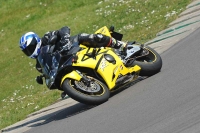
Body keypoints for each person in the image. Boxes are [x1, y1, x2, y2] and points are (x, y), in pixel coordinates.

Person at [19, 26, 128, 98]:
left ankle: (120, 45)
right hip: (66, 63)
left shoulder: (47, 37)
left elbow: (64, 29)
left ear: (36, 41)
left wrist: (65, 39)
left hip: (74, 47)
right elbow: (48, 72)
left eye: (31, 47)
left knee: (88, 37)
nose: (30, 51)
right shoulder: (39, 64)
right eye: (27, 51)